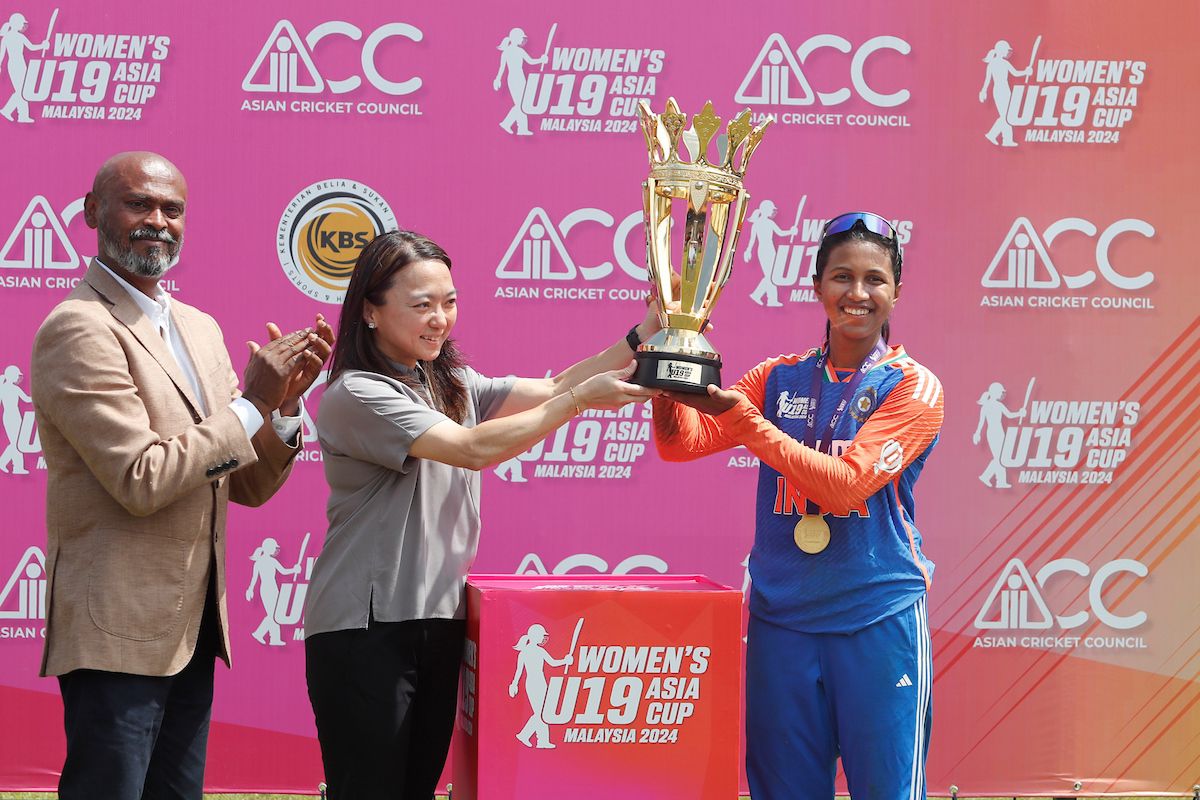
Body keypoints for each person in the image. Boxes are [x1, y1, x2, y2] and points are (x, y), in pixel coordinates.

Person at [303, 229, 661, 800]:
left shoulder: (447, 381)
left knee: (416, 787)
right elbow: (473, 448)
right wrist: (579, 402)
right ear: (370, 311)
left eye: (449, 302)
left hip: (439, 619)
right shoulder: (358, 393)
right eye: (421, 305)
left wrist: (646, 331)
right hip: (365, 630)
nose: (440, 319)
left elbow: (554, 386)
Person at [30, 151, 333, 800]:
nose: (158, 221)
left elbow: (244, 484)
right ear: (92, 213)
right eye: (138, 204)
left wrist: (281, 410)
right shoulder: (78, 328)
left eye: (172, 209)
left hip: (193, 631)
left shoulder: (200, 329)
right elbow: (141, 478)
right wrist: (251, 402)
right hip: (117, 633)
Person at [652, 212, 943, 800]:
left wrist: (749, 425)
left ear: (896, 292)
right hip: (782, 621)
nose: (857, 293)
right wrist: (667, 368)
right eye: (842, 276)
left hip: (876, 617)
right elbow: (681, 443)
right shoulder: (778, 378)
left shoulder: (912, 387)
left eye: (875, 279)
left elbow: (845, 486)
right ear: (816, 286)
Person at [509, 623, 572, 749]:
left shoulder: (539, 651)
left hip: (541, 683)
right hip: (533, 683)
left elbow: (552, 663)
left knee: (542, 713)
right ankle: (528, 736)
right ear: (535, 636)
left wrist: (565, 661)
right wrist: (514, 684)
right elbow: (519, 671)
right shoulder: (525, 652)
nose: (543, 638)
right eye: (541, 635)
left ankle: (540, 740)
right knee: (542, 713)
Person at [247, 536, 300, 645]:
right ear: (268, 548)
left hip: (273, 588)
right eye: (273, 547)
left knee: (274, 614)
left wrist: (294, 570)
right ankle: (263, 634)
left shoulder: (271, 561)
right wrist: (250, 589)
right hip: (267, 589)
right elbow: (254, 578)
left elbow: (283, 571)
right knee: (274, 615)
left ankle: (272, 638)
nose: (275, 550)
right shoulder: (262, 562)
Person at [493, 27, 544, 136]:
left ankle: (522, 128)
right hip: (515, 78)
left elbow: (530, 61)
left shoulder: (515, 51)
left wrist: (541, 59)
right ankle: (507, 123)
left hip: (519, 78)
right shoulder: (511, 51)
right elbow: (502, 67)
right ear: (515, 38)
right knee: (521, 104)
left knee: (522, 104)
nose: (522, 40)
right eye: (521, 38)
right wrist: (497, 79)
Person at [980, 40, 1030, 147]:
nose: (1007, 52)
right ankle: (993, 135)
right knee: (1006, 116)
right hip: (999, 90)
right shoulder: (993, 64)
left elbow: (1015, 73)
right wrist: (983, 91)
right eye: (1006, 50)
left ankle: (1006, 140)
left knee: (1007, 116)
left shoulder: (1003, 63)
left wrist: (1026, 72)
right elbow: (987, 80)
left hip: (1005, 90)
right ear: (1001, 50)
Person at [0, 12, 48, 124]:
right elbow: (1, 54)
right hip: (15, 65)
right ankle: (8, 110)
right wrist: (43, 45)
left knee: (22, 91)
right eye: (21, 23)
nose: (23, 25)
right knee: (22, 91)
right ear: (16, 23)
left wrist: (42, 45)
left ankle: (22, 115)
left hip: (20, 64)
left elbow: (31, 47)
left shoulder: (15, 37)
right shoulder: (9, 37)